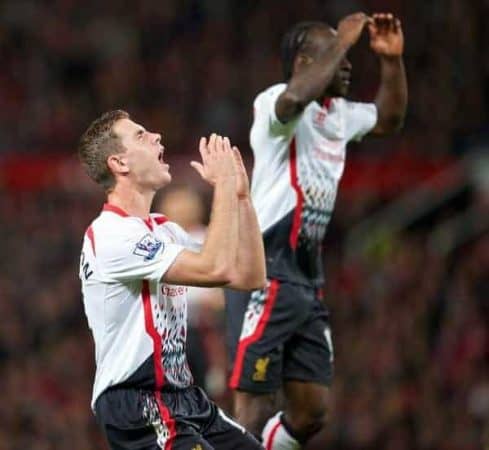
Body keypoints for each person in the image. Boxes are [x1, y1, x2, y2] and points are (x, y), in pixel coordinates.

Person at [225, 12, 408, 449]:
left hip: (307, 278)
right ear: (304, 63)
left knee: (311, 411)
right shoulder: (274, 104)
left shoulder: (339, 114)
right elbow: (292, 102)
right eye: (334, 54)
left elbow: (389, 118)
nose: (347, 63)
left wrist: (391, 62)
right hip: (265, 268)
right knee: (254, 400)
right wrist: (344, 39)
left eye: (346, 55)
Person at [77, 109, 266, 450]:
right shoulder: (109, 235)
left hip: (185, 397)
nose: (156, 137)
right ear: (119, 163)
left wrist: (241, 197)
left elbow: (249, 275)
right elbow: (216, 268)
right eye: (140, 135)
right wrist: (221, 187)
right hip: (138, 402)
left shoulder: (165, 230)